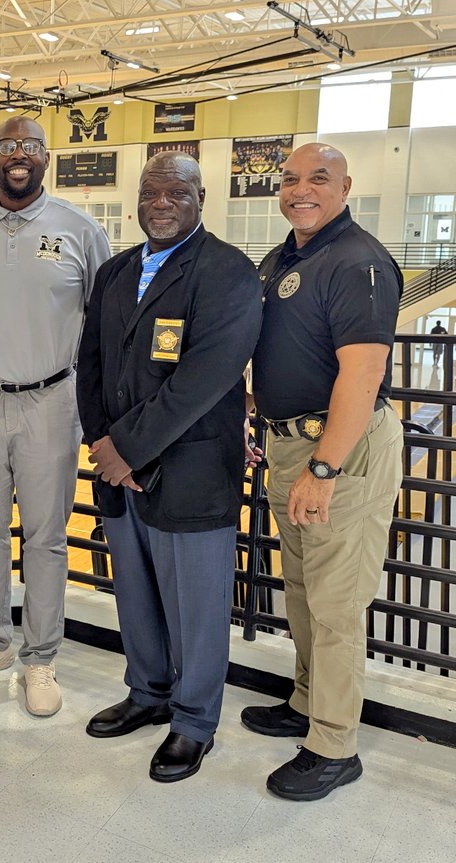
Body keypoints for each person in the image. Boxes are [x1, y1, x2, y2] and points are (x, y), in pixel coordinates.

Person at [76, 152, 262, 782]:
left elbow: (202, 381)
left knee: (197, 608)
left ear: (200, 198)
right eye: (151, 192)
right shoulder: (115, 271)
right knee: (136, 594)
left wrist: (125, 450)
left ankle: (193, 721)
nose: (161, 203)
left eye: (176, 193)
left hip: (190, 471)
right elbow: (92, 365)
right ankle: (148, 692)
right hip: (118, 470)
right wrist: (102, 444)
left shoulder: (229, 274)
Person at [242, 143, 404, 801]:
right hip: (289, 444)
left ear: (345, 187)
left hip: (340, 451)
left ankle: (334, 743)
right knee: (304, 587)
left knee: (336, 603)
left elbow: (362, 375)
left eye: (318, 179)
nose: (300, 190)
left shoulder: (357, 260)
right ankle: (308, 699)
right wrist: (261, 414)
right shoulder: (283, 256)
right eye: (290, 180)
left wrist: (325, 464)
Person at [0, 116, 110, 716]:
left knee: (45, 538)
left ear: (45, 156)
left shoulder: (81, 231)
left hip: (50, 400)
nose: (18, 156)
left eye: (29, 147)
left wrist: (97, 409)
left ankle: (41, 657)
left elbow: (106, 329)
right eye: (7, 147)